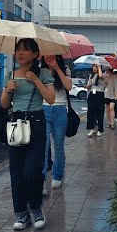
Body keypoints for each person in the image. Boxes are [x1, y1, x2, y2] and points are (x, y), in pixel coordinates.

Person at [0, 38, 55, 230]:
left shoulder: (44, 73)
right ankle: (21, 214)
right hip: (16, 122)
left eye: (25, 50)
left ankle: (36, 209)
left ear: (34, 54)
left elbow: (50, 99)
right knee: (17, 173)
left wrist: (35, 80)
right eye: (18, 49)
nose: (20, 53)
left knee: (32, 171)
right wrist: (8, 90)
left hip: (37, 122)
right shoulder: (11, 75)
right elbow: (4, 104)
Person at [40, 55, 72, 190]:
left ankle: (57, 176)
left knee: (58, 145)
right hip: (43, 108)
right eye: (46, 53)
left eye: (52, 53)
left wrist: (57, 68)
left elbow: (69, 87)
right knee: (43, 145)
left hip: (60, 110)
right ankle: (40, 179)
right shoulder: (40, 70)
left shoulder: (65, 69)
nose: (49, 56)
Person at [85, 63, 105, 137]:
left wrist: (99, 66)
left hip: (100, 94)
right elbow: (88, 88)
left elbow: (100, 76)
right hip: (92, 95)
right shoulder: (91, 76)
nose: (94, 68)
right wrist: (88, 84)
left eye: (96, 67)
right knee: (90, 113)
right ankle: (91, 129)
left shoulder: (103, 75)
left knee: (100, 112)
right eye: (93, 66)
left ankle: (100, 130)